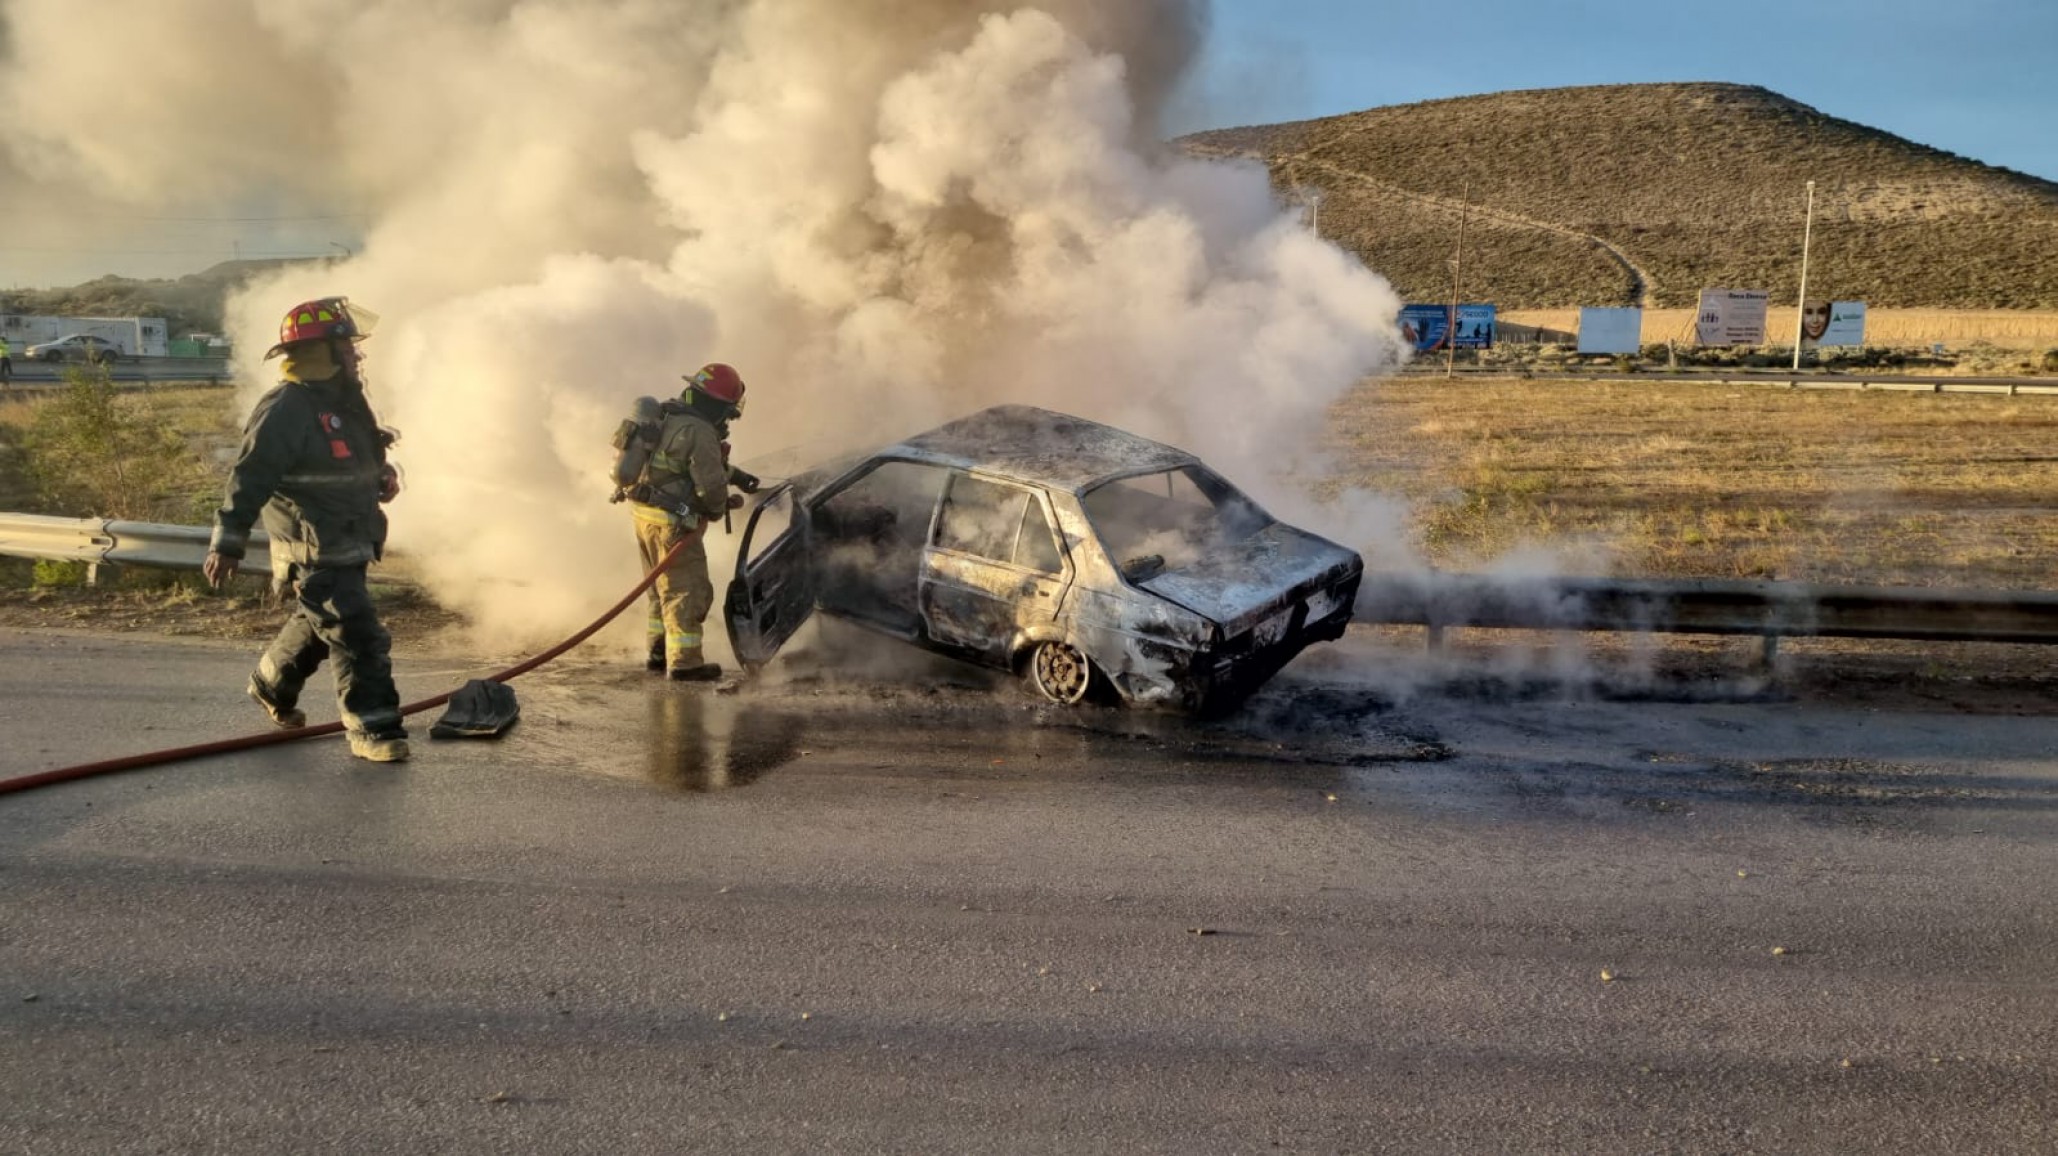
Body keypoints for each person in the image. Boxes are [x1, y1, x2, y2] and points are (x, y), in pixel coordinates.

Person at [203, 296, 410, 762]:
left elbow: (355, 454)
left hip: (351, 535)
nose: (356, 356)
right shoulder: (285, 408)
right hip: (312, 543)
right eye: (346, 348)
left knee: (322, 623)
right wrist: (228, 541)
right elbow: (249, 476)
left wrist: (381, 475)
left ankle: (271, 682)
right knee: (356, 632)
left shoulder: (345, 401)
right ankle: (373, 729)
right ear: (322, 353)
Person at [619, 363, 755, 681]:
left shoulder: (668, 415)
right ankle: (685, 662)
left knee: (659, 589)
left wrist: (738, 476)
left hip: (644, 515)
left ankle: (658, 650)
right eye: (728, 412)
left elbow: (677, 464)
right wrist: (719, 507)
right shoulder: (701, 431)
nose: (728, 419)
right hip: (673, 523)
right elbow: (709, 485)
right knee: (686, 591)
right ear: (718, 405)